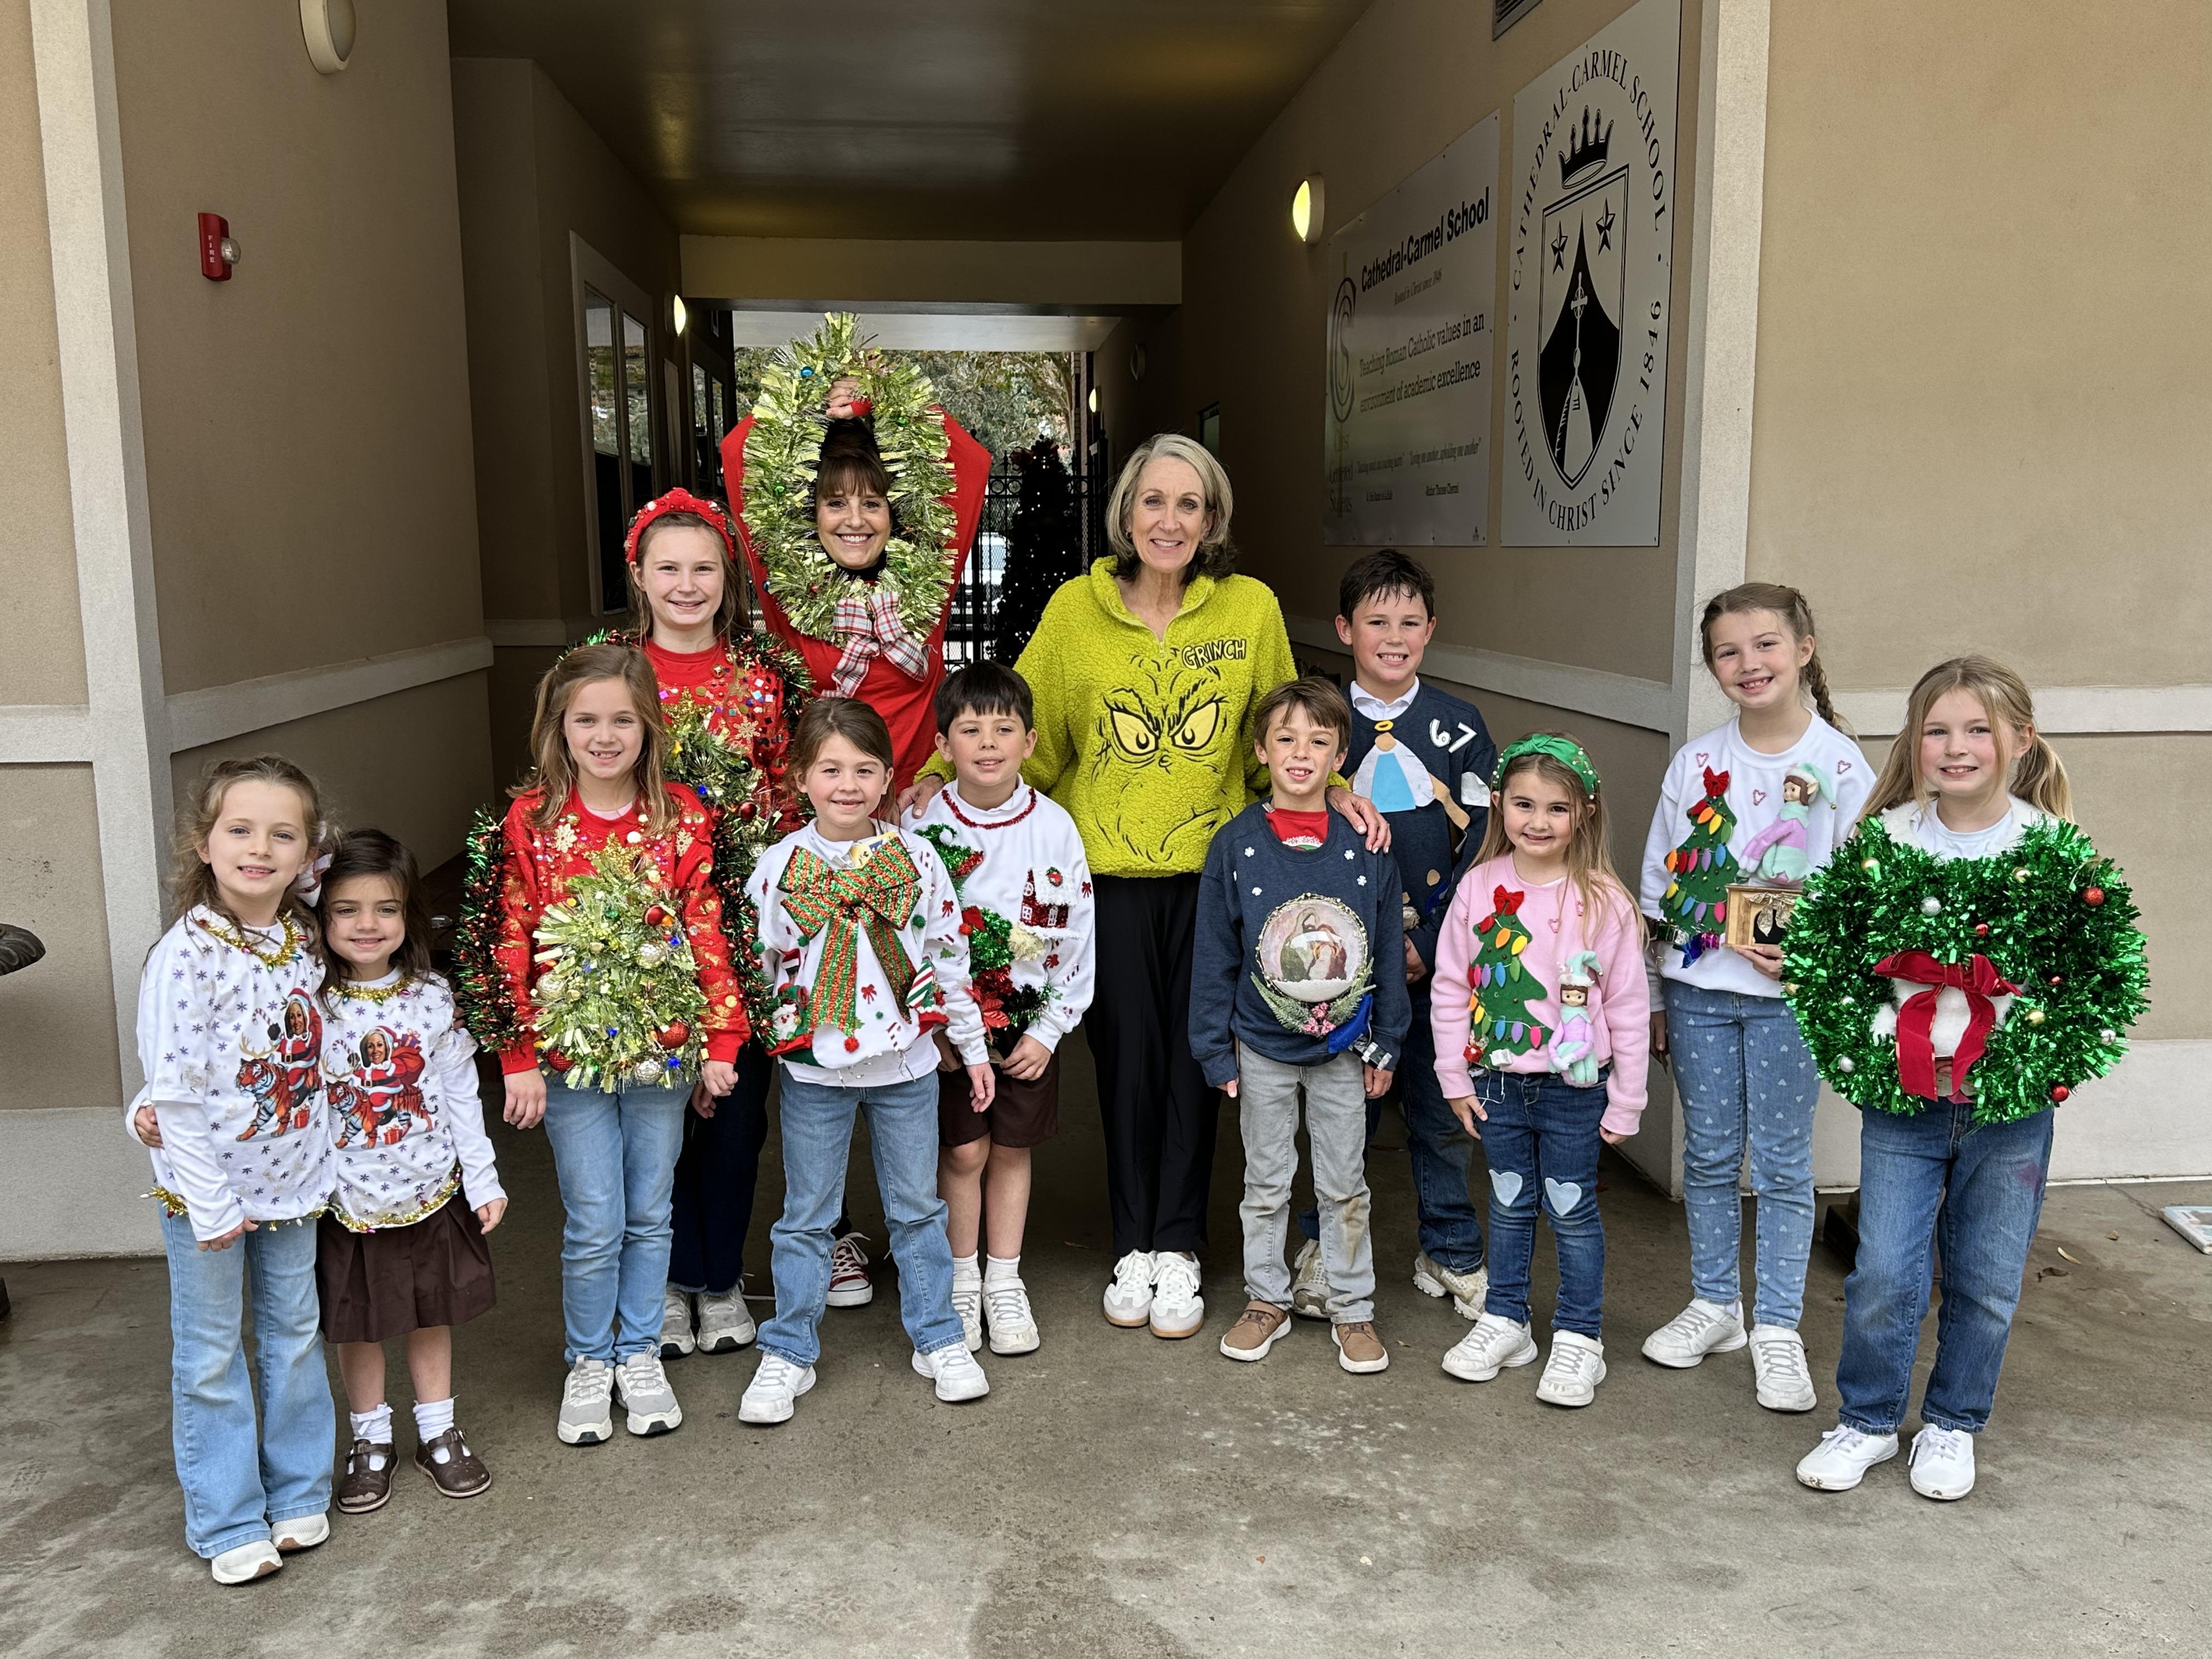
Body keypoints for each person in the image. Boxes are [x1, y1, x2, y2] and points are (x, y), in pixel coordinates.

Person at [904, 433, 1386, 1343]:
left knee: (1200, 1063)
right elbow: (1026, 736)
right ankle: (1134, 1242)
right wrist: (939, 775)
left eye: (1189, 503)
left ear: (1212, 520)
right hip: (1107, 881)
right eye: (1153, 501)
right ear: (1126, 513)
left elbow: (1286, 735)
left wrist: (1338, 793)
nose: (1170, 520)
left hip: (1220, 878)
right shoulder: (1074, 611)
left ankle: (1181, 1245)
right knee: (1126, 1064)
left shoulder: (1249, 608)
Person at [1788, 657, 2146, 1501]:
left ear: (2021, 741)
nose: (1957, 748)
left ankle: (1953, 1423)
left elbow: (2101, 976)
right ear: (1915, 743)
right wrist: (1872, 1049)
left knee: (1986, 1278)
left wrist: (2031, 1063)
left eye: (1978, 730)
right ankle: (1869, 1419)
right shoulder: (1885, 843)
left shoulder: (2052, 853)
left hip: (2010, 1110)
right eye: (1938, 730)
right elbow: (1828, 958)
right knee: (1884, 1274)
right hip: (1904, 1103)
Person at [458, 642, 747, 1447]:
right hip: (568, 1064)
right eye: (587, 720)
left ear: (649, 725)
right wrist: (517, 1056)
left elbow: (707, 930)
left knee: (650, 1212)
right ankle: (590, 1358)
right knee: (594, 1217)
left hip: (663, 1055)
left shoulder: (681, 817)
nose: (605, 736)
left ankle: (638, 1351)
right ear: (560, 727)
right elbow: (509, 940)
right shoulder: (532, 822)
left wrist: (722, 1042)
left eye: (623, 719)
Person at [588, 487, 814, 1365]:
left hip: (743, 929)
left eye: (704, 569)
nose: (687, 586)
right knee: (652, 1117)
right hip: (634, 927)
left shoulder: (761, 680)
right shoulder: (608, 677)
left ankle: (719, 1281)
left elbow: (789, 796)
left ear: (729, 578)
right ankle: (663, 1284)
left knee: (735, 1115)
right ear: (639, 575)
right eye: (669, 568)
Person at [1637, 584, 1869, 1411]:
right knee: (1706, 1154)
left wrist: (1812, 958)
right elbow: (1659, 883)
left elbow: (1865, 888)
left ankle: (1777, 1325)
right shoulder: (1696, 764)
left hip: (1788, 1004)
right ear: (1713, 667)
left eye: (1766, 644)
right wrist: (1657, 994)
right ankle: (1715, 1305)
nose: (1749, 663)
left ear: (1803, 649)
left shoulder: (1842, 766)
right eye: (1728, 652)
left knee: (1780, 1164)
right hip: (1698, 991)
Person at [738, 698, 995, 1423]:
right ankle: (789, 1351)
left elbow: (949, 958)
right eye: (830, 770)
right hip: (814, 1073)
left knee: (917, 1209)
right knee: (806, 1217)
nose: (847, 785)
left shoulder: (916, 860)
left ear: (887, 779)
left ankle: (938, 1336)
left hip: (905, 1067)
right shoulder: (779, 867)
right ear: (801, 778)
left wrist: (971, 1047)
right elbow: (760, 967)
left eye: (864, 770)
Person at [125, 755, 338, 1584]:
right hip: (206, 1196)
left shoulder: (302, 939)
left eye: (283, 835)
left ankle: (298, 1491)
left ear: (307, 852)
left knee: (293, 1338)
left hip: (294, 1182)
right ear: (203, 843)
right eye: (240, 830)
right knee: (212, 1355)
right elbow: (172, 1090)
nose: (260, 849)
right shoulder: (186, 956)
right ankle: (227, 1519)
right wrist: (210, 1203)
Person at [1288, 550, 1497, 1325]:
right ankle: (1325, 1247)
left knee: (1441, 1113)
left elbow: (1486, 844)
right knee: (1342, 1115)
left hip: (1437, 961)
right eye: (1377, 621)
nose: (1395, 637)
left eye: (1411, 622)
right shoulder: (1314, 725)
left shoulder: (1460, 727)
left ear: (1431, 630)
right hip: (1341, 962)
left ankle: (1449, 1247)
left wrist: (1434, 941)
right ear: (1345, 629)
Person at [1192, 677, 1408, 1374]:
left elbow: (1385, 948)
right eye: (1285, 739)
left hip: (1346, 1047)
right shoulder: (1236, 845)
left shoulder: (1366, 845)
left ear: (1340, 756)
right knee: (1266, 1180)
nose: (1300, 754)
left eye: (1319, 742)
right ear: (1261, 750)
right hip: (1262, 1046)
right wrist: (1213, 1048)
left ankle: (1352, 1306)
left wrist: (1388, 1042)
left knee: (1345, 1182)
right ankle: (1266, 1298)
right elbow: (1215, 952)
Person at [1430, 735, 1649, 1407]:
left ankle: (1581, 1335)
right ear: (1500, 805)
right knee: (1508, 1200)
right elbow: (1450, 985)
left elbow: (1628, 1004)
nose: (1538, 821)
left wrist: (1628, 1098)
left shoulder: (1604, 900)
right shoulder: (1479, 886)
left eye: (1557, 808)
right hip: (1497, 1080)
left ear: (1585, 813)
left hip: (1575, 1087)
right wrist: (1454, 1076)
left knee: (1571, 1207)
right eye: (1524, 804)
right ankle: (1507, 1318)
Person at [904, 661, 1096, 1356]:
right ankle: (959, 1279)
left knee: (1012, 1148)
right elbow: (904, 935)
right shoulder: (921, 822)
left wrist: (1050, 1030)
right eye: (970, 730)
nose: (988, 744)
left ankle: (1003, 1280)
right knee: (963, 1150)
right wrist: (934, 1028)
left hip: (1027, 1023)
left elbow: (1076, 936)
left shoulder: (1054, 827)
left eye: (1004, 730)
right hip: (951, 1025)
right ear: (943, 744)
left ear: (1030, 741)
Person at [313, 831, 504, 1511]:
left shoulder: (431, 997)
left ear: (408, 916)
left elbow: (460, 1093)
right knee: (358, 1322)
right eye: (347, 909)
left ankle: (438, 1432)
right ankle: (370, 1440)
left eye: (386, 909)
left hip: (429, 1187)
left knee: (430, 1311)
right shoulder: (309, 1000)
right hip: (346, 1199)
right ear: (321, 915)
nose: (367, 924)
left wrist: (483, 1177)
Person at [720, 317, 991, 791]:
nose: (855, 521)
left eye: (872, 503)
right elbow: (738, 450)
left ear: (893, 513)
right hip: (823, 807)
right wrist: (816, 389)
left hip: (916, 802)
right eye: (835, 503)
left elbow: (972, 461)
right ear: (813, 514)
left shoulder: (932, 571)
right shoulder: (784, 577)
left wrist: (881, 391)